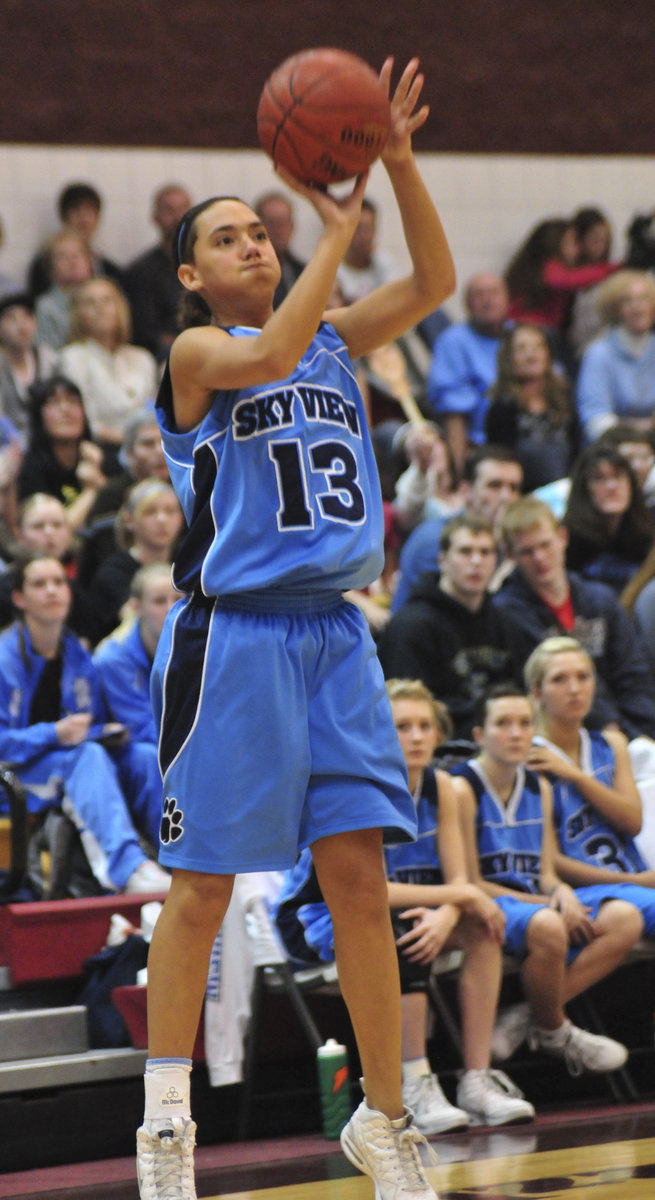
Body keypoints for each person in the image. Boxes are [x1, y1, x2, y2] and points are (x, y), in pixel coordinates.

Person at [136, 57, 456, 1200]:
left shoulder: (331, 340)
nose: (253, 246)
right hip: (233, 642)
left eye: (257, 235)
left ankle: (382, 1118)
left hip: (335, 637)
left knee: (363, 877)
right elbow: (267, 349)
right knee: (205, 886)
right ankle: (167, 1124)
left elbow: (432, 277)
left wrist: (401, 168)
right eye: (228, 239)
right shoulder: (196, 358)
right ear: (189, 273)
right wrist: (333, 228)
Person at [275, 678, 535, 1131]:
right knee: (400, 934)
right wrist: (460, 897)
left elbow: (458, 883)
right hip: (320, 916)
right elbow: (368, 892)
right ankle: (415, 1082)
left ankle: (476, 1080)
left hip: (408, 908)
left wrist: (453, 911)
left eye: (424, 726)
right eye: (401, 727)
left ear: (438, 733)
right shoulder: (358, 791)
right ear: (377, 733)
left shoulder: (446, 789)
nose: (415, 737)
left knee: (483, 928)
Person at [451, 685, 640, 1076]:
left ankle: (530, 1017)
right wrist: (550, 903)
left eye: (524, 723)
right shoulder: (461, 788)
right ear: (479, 735)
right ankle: (555, 1028)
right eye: (503, 723)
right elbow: (471, 882)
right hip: (490, 906)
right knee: (552, 923)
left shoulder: (539, 787)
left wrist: (563, 892)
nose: (517, 733)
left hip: (534, 905)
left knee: (625, 919)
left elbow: (547, 874)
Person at [0, 551, 171, 894]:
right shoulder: (4, 657)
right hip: (14, 774)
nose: (52, 590)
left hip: (61, 760)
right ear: (19, 598)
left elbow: (82, 726)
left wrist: (103, 732)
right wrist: (54, 733)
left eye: (59, 582)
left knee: (142, 756)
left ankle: (180, 862)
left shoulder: (77, 656)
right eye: (39, 584)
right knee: (87, 758)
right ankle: (128, 868)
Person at [494, 496, 655, 743]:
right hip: (568, 734)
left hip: (632, 731)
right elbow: (556, 686)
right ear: (510, 554)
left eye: (545, 545)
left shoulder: (600, 599)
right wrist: (620, 735)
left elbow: (633, 673)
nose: (539, 558)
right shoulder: (507, 610)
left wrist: (645, 733)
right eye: (527, 551)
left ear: (563, 538)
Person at [525, 636, 655, 908]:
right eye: (559, 679)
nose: (574, 689)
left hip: (633, 878)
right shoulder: (529, 757)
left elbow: (632, 821)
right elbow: (550, 862)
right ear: (537, 692)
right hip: (582, 891)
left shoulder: (612, 744)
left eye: (583, 677)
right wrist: (634, 883)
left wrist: (577, 776)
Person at [378, 513, 520, 740]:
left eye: (485, 552)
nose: (476, 561)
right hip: (437, 748)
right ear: (442, 560)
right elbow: (406, 709)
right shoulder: (410, 627)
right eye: (465, 551)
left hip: (501, 741)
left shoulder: (506, 621)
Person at [94, 563, 179, 848]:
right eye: (158, 601)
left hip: (176, 744)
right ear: (136, 606)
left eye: (178, 600)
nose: (170, 608)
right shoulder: (113, 657)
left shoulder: (199, 647)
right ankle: (177, 856)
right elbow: (143, 728)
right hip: (124, 756)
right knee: (149, 758)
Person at [391, 444, 523, 612]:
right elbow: (464, 610)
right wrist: (509, 565)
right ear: (466, 491)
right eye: (494, 486)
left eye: (514, 488)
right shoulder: (435, 539)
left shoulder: (506, 539)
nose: (506, 497)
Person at [59, 277, 158, 470]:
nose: (100, 308)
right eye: (90, 303)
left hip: (151, 447)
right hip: (106, 452)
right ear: (78, 313)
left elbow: (153, 412)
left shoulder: (143, 357)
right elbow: (89, 423)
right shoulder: (73, 358)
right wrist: (133, 442)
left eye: (107, 301)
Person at [426, 272, 511, 475]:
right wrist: (460, 473)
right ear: (468, 305)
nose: (488, 300)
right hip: (479, 445)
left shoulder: (520, 335)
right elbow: (453, 411)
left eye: (494, 293)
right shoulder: (453, 341)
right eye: (479, 295)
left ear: (507, 300)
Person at [86, 478, 183, 646]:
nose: (162, 519)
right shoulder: (114, 572)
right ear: (129, 520)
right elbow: (141, 622)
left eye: (170, 511)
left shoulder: (189, 564)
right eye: (150, 512)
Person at [504, 216, 617, 362]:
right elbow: (567, 280)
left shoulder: (537, 266)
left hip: (536, 330)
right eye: (571, 243)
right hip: (531, 328)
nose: (577, 249)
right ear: (554, 244)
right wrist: (615, 268)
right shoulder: (548, 265)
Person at [484, 324, 580, 492]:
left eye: (538, 346)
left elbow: (578, 452)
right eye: (522, 349)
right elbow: (502, 462)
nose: (531, 354)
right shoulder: (502, 408)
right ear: (509, 358)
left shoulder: (564, 400)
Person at [17, 374, 107, 533]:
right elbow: (55, 534)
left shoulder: (101, 457)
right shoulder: (29, 468)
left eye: (73, 401)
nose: (65, 410)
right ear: (39, 417)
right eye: (53, 403)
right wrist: (91, 491)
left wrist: (100, 478)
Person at [562, 443, 655, 593]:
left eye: (618, 476)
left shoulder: (648, 531)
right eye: (599, 479)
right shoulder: (567, 539)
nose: (611, 486)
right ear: (584, 488)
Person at [576, 270, 655, 444]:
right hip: (612, 446)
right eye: (628, 301)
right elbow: (595, 420)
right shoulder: (599, 353)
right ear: (615, 309)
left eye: (644, 299)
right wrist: (645, 428)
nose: (638, 307)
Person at [123, 183, 192, 362]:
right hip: (167, 354)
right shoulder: (140, 272)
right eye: (169, 210)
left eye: (183, 210)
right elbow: (144, 332)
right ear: (155, 217)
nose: (178, 217)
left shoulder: (209, 265)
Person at [27, 181, 122, 300]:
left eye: (89, 211)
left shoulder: (111, 271)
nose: (84, 219)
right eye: (76, 211)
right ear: (64, 216)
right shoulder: (41, 267)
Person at [0, 292, 59, 441]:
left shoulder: (49, 359)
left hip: (49, 439)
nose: (21, 325)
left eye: (27, 316)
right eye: (11, 318)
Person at [34, 230, 94, 351]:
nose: (73, 261)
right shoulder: (45, 307)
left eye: (79, 254)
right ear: (50, 268)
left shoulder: (103, 298)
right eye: (63, 256)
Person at [254, 190, 306, 308]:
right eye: (272, 223)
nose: (278, 230)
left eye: (283, 222)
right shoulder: (248, 272)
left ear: (292, 227)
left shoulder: (304, 272)